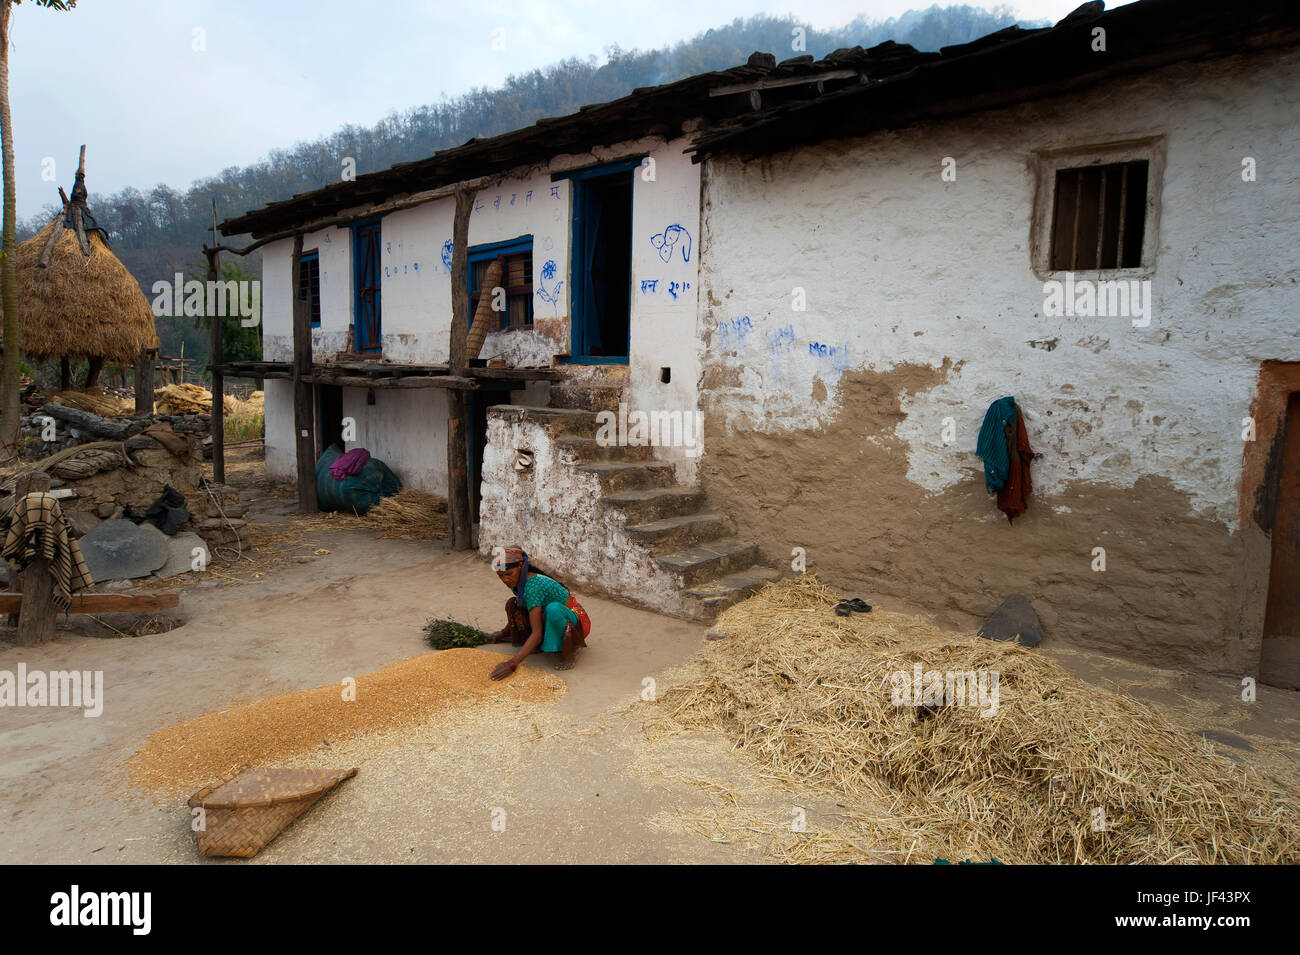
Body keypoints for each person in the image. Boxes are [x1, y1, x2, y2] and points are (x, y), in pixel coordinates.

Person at [489, 545, 589, 680]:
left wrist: (512, 664)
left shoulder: (533, 587)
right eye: (500, 576)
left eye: (508, 574)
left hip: (576, 622)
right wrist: (504, 632)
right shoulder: (518, 582)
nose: (505, 580)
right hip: (547, 615)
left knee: (553, 609)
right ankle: (533, 645)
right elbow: (523, 604)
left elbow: (537, 634)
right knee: (512, 604)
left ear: (520, 566)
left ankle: (570, 651)